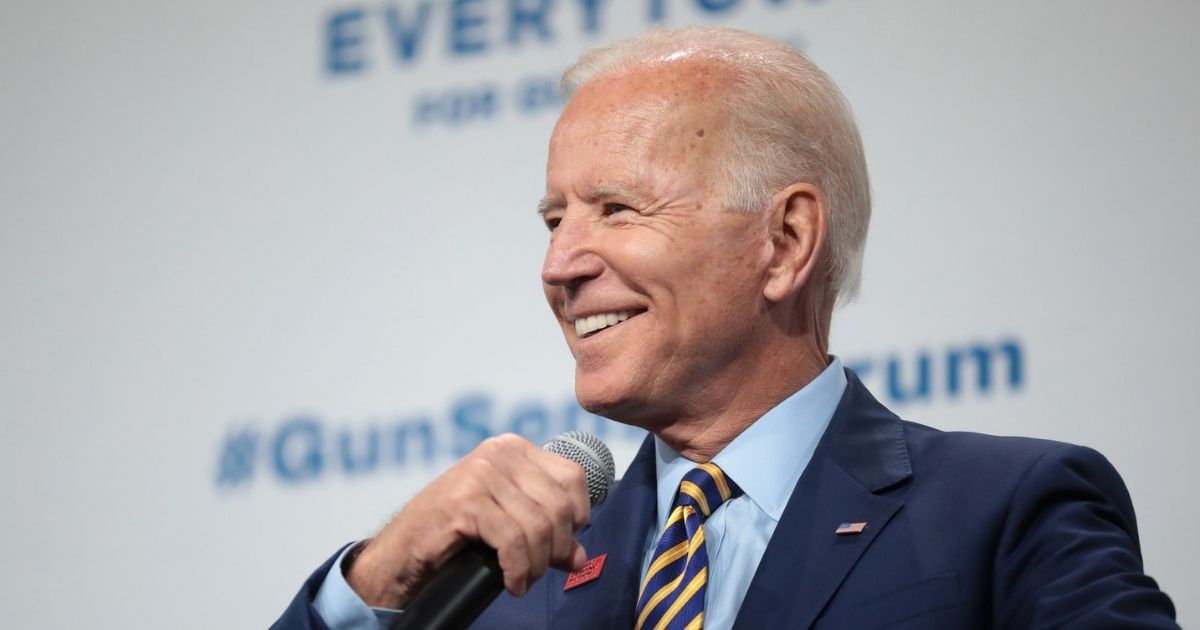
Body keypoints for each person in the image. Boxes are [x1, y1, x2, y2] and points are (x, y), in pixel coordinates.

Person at [275, 27, 1177, 629]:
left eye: (619, 209)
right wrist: (372, 585)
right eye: (556, 221)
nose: (560, 267)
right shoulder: (511, 580)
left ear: (783, 243)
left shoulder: (1003, 509)